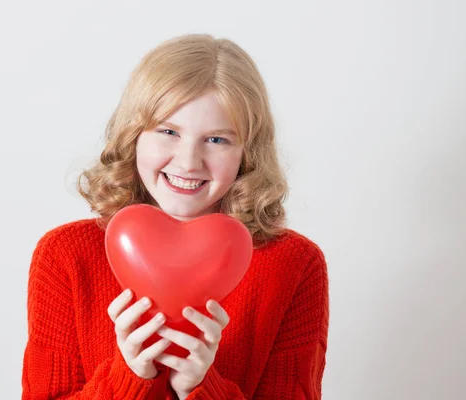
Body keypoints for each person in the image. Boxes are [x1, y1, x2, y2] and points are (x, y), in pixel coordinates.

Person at [21, 33, 329, 399]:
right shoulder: (65, 256)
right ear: (133, 136)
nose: (187, 162)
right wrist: (129, 378)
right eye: (168, 131)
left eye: (217, 140)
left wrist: (201, 387)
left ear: (248, 153)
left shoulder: (294, 265)